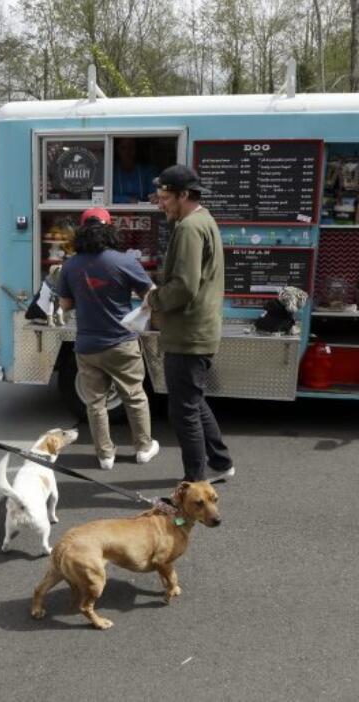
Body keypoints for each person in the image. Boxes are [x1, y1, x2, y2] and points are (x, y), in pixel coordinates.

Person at [144, 165, 234, 483]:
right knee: (192, 402)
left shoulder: (188, 228)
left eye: (165, 197)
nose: (160, 203)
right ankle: (220, 462)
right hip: (199, 330)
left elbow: (183, 286)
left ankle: (195, 483)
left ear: (184, 195)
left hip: (188, 334)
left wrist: (153, 299)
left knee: (183, 412)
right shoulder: (204, 220)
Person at [56, 207, 160, 470]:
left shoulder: (71, 265)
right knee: (134, 396)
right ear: (109, 229)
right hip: (121, 342)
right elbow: (153, 294)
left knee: (95, 403)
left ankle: (105, 456)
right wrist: (140, 312)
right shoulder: (124, 261)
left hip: (87, 345)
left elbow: (65, 304)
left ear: (82, 231)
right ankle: (143, 449)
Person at [112, 138, 157, 204]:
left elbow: (154, 192)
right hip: (117, 211)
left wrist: (155, 196)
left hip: (145, 210)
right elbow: (106, 196)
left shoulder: (147, 170)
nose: (127, 152)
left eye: (131, 147)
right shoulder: (111, 171)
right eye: (123, 148)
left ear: (136, 149)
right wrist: (127, 200)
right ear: (117, 149)